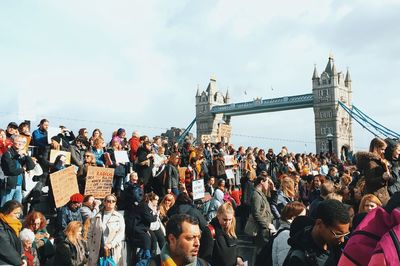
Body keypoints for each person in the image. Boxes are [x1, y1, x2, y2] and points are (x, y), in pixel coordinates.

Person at [283, 199, 350, 266]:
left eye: (345, 234)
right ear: (319, 223)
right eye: (338, 234)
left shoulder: (337, 245)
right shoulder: (299, 258)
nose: (342, 239)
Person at [144, 214, 209, 266]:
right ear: (172, 240)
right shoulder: (147, 264)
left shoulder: (205, 264)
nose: (197, 243)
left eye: (199, 237)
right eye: (190, 238)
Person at [87, 194, 125, 266]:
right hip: (97, 250)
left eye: (113, 201)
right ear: (104, 202)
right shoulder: (97, 216)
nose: (111, 203)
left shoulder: (119, 217)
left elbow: (121, 233)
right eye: (108, 201)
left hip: (113, 250)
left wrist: (111, 244)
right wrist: (90, 247)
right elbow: (90, 233)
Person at [0, 135, 35, 206]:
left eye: (22, 142)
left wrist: (26, 156)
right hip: (9, 185)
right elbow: (12, 170)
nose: (20, 143)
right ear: (12, 142)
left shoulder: (22, 154)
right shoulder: (7, 154)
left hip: (19, 185)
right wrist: (23, 169)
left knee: (17, 208)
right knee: (5, 207)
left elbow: (31, 166)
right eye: (18, 141)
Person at [355, 137, 391, 205]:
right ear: (375, 148)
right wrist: (382, 178)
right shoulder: (371, 162)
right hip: (376, 197)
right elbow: (369, 181)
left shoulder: (377, 160)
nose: (384, 152)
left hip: (379, 195)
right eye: (382, 149)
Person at [272, 201, 306, 266]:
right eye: (302, 217)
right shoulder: (286, 235)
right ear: (293, 217)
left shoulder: (289, 231)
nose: (304, 220)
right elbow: (284, 261)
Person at [250, 174, 275, 249]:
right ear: (261, 182)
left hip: (265, 229)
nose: (268, 185)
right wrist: (267, 225)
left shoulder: (261, 193)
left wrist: (272, 187)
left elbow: (272, 200)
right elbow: (256, 213)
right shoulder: (256, 195)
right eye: (267, 182)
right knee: (261, 252)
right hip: (262, 230)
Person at [0, 200, 27, 265]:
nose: (18, 216)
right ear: (7, 212)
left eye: (19, 213)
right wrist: (19, 262)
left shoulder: (16, 225)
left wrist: (23, 258)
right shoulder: (1, 225)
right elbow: (5, 247)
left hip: (14, 261)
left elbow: (19, 244)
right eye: (15, 213)